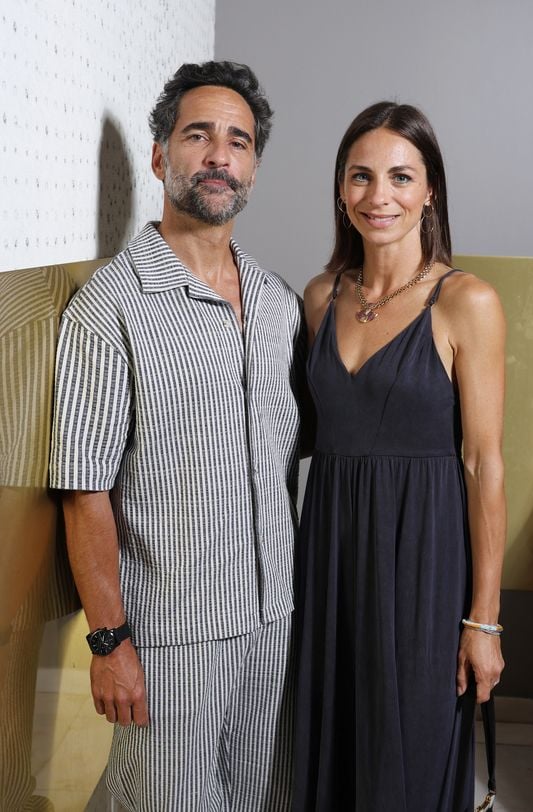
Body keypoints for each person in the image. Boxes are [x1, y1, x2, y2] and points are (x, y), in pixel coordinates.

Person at [49, 61, 305, 811]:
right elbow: (83, 492)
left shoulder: (278, 303)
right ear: (162, 158)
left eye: (238, 141)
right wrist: (109, 643)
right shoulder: (110, 307)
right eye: (199, 136)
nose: (220, 156)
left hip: (275, 623)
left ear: (254, 167)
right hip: (168, 641)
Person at [293, 102, 506, 811]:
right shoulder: (320, 297)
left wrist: (483, 621)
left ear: (430, 190)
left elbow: (484, 465)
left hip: (424, 566)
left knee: (408, 760)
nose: (378, 195)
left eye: (400, 176)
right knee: (332, 749)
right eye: (360, 176)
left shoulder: (466, 301)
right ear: (340, 189)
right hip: (329, 559)